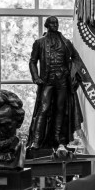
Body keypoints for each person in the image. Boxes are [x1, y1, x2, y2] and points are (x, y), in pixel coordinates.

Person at [26, 16, 79, 155]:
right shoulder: (39, 42)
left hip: (62, 81)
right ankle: (36, 140)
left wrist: (72, 73)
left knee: (61, 109)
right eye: (52, 23)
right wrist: (36, 77)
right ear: (46, 25)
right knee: (43, 109)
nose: (55, 25)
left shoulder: (66, 42)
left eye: (56, 23)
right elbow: (32, 61)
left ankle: (58, 139)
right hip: (47, 81)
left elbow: (76, 58)